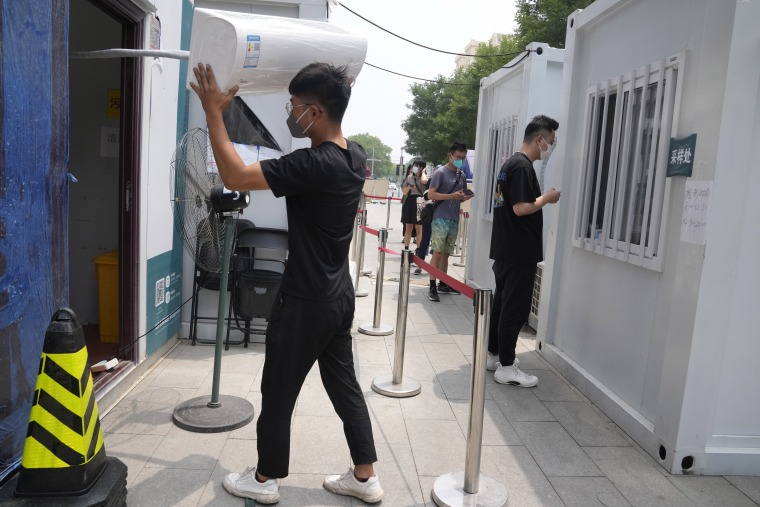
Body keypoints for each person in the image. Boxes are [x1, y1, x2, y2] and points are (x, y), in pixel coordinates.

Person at [190, 62, 383, 504]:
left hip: (303, 300)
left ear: (314, 112)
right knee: (344, 386)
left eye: (293, 106)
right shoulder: (353, 157)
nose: (289, 113)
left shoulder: (313, 164)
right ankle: (365, 476)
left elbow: (236, 177)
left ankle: (264, 480)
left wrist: (214, 112)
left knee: (277, 390)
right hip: (337, 295)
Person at [487, 115, 561, 387]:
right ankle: (506, 367)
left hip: (507, 248)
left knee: (501, 305)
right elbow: (521, 207)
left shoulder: (509, 164)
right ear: (540, 139)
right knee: (514, 310)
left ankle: (495, 354)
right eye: (550, 142)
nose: (550, 148)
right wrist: (547, 199)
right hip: (519, 251)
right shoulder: (522, 166)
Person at [426, 142, 473, 302]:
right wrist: (452, 196)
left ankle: (443, 283)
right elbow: (431, 195)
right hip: (440, 217)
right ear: (450, 155)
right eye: (458, 157)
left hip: (453, 217)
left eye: (463, 157)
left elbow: (459, 197)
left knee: (446, 253)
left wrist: (463, 197)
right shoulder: (440, 173)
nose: (461, 160)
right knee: (437, 252)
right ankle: (432, 285)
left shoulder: (462, 176)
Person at [400, 159, 428, 250]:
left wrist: (423, 172)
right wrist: (409, 187)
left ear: (422, 168)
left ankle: (419, 249)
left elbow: (424, 181)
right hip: (410, 202)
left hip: (420, 202)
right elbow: (404, 192)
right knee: (408, 227)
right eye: (414, 165)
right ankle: (406, 248)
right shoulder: (409, 177)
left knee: (419, 228)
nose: (414, 168)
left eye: (417, 166)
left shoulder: (425, 177)